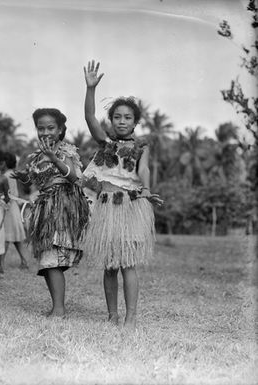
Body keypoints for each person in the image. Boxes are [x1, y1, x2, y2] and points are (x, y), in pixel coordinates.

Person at [82, 60, 163, 328]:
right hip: (106, 206)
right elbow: (90, 119)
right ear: (112, 120)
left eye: (128, 117)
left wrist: (147, 190)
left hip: (130, 206)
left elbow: (144, 170)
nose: (122, 121)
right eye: (117, 117)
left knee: (128, 263)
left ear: (135, 121)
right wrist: (90, 89)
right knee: (109, 266)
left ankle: (131, 317)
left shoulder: (141, 146)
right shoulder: (105, 142)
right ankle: (112, 315)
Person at [12, 108, 89, 317]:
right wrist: (24, 178)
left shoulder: (66, 151)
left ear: (61, 129)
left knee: (52, 259)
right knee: (47, 260)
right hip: (45, 210)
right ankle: (57, 306)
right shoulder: (38, 155)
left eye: (51, 127)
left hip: (62, 209)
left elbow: (75, 178)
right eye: (41, 128)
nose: (45, 132)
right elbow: (39, 180)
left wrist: (54, 159)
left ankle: (59, 309)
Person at [3, 152, 29, 269]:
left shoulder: (6, 176)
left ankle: (1, 264)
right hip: (13, 206)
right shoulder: (14, 174)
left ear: (4, 162)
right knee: (15, 238)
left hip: (8, 206)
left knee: (6, 237)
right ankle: (24, 261)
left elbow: (7, 194)